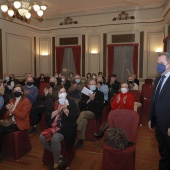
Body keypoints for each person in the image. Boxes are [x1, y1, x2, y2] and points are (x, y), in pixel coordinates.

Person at [39, 87, 78, 170]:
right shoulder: (52, 103)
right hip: (54, 127)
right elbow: (47, 117)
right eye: (60, 92)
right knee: (42, 136)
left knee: (54, 139)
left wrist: (65, 109)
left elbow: (74, 117)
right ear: (57, 93)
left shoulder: (71, 102)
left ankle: (56, 164)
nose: (63, 93)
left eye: (64, 92)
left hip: (65, 129)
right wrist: (57, 111)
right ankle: (59, 155)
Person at [148, 52, 170, 170]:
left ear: (169, 64)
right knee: (163, 152)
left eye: (161, 63)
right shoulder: (157, 80)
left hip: (168, 125)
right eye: (158, 63)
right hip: (158, 124)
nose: (159, 66)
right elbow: (154, 101)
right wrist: (151, 118)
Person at [0, 84, 32, 161]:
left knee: (0, 130)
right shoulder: (12, 100)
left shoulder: (26, 101)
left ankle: (1, 153)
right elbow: (7, 116)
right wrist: (10, 111)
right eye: (15, 90)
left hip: (20, 123)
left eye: (18, 91)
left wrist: (13, 109)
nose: (16, 92)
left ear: (22, 92)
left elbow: (23, 116)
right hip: (11, 122)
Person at [75, 79, 104, 149]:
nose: (93, 86)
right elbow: (81, 104)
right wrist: (88, 101)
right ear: (88, 85)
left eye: (94, 84)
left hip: (94, 113)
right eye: (91, 84)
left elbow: (100, 106)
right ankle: (80, 140)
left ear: (97, 85)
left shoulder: (100, 93)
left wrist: (93, 99)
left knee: (82, 114)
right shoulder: (85, 93)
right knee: (83, 119)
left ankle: (75, 128)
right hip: (85, 112)